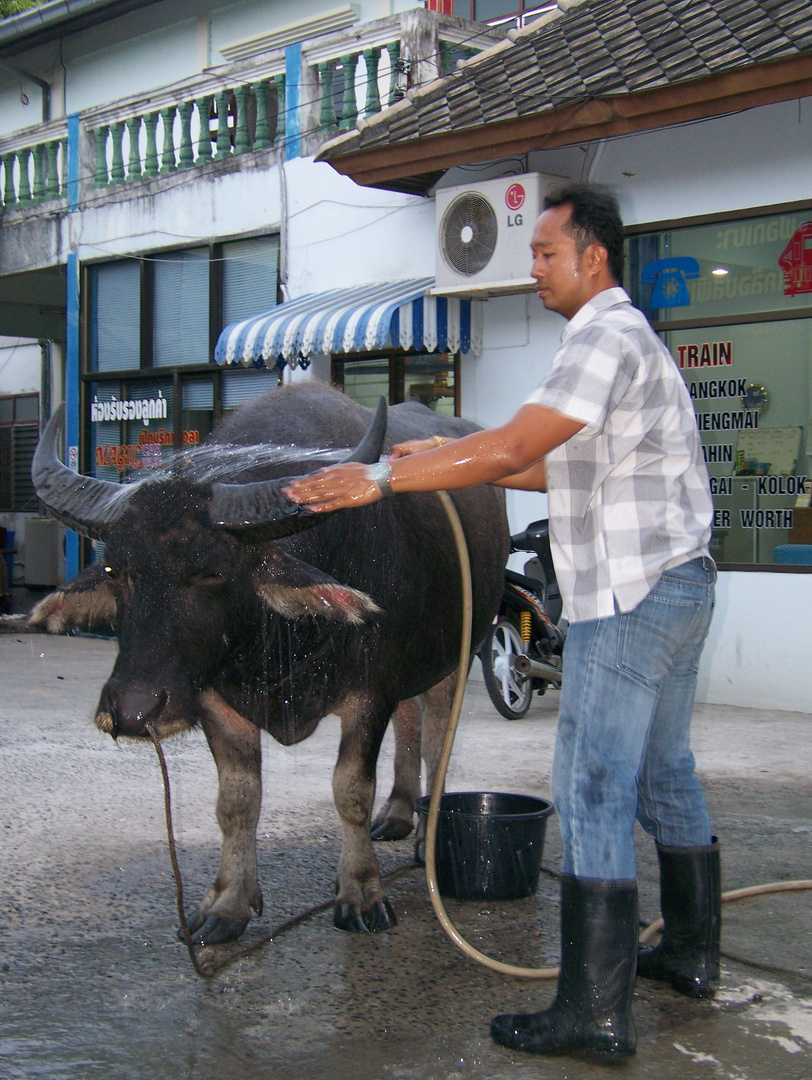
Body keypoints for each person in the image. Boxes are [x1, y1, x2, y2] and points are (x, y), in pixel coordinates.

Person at [285, 183, 721, 1063]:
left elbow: (518, 446)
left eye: (545, 254)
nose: (533, 270)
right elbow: (552, 473)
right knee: (663, 769)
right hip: (681, 585)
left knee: (594, 783)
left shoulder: (604, 334)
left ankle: (592, 1012)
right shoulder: (627, 341)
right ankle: (689, 950)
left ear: (592, 258)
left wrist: (379, 479)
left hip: (631, 596)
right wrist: (437, 457)